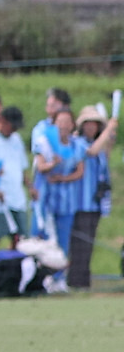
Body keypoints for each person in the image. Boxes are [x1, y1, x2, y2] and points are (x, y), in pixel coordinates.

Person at [35, 108, 85, 291]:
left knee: (63, 240)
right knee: (46, 239)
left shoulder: (76, 145)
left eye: (67, 121)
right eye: (60, 121)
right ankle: (42, 278)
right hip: (46, 201)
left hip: (67, 200)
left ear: (72, 125)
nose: (63, 125)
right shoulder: (45, 143)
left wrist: (63, 178)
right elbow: (40, 167)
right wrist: (53, 165)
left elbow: (80, 170)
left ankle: (59, 278)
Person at [67, 106, 117, 289]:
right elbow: (92, 151)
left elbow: (104, 154)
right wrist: (109, 129)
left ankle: (84, 281)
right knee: (79, 244)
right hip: (81, 202)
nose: (90, 128)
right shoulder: (78, 142)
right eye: (87, 124)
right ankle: (75, 281)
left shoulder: (98, 143)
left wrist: (110, 135)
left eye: (94, 124)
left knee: (88, 245)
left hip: (95, 203)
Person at [0, 106, 30, 251]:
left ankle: (13, 268)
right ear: (2, 121)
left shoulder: (16, 139)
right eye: (12, 126)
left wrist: (30, 187)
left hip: (16, 197)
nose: (14, 130)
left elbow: (21, 167)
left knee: (20, 239)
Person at [30, 87, 71, 237]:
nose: (49, 108)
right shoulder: (41, 129)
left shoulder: (72, 129)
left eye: (54, 104)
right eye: (49, 104)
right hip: (44, 187)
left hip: (66, 194)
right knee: (40, 236)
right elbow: (41, 157)